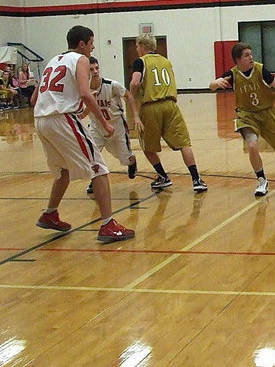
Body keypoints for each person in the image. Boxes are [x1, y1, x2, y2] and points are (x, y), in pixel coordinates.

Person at [31, 26, 134, 242]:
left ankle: (50, 213)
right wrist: (105, 123)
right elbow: (86, 94)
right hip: (62, 118)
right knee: (99, 167)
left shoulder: (52, 61)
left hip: (41, 119)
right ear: (81, 44)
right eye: (91, 43)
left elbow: (33, 100)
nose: (93, 47)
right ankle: (107, 225)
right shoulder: (80, 59)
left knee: (64, 169)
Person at [208, 43, 275, 196]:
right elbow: (212, 85)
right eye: (246, 55)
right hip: (247, 115)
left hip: (266, 113)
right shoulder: (233, 74)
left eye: (251, 54)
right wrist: (214, 84)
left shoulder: (260, 70)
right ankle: (262, 180)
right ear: (238, 60)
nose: (251, 57)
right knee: (252, 145)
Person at [128, 33, 208, 192]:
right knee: (184, 143)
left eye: (137, 46)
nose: (137, 49)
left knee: (147, 147)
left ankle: (163, 176)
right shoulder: (166, 61)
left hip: (151, 106)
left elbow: (135, 82)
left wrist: (131, 95)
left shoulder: (140, 62)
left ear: (143, 46)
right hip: (171, 105)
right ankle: (196, 179)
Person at [84, 57, 142, 194]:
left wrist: (136, 116)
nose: (95, 71)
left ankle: (132, 162)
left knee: (125, 158)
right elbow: (83, 112)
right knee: (91, 155)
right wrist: (89, 101)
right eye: (91, 69)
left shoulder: (111, 85)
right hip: (96, 126)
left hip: (116, 125)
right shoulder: (84, 89)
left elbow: (128, 95)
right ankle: (95, 181)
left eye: (96, 68)